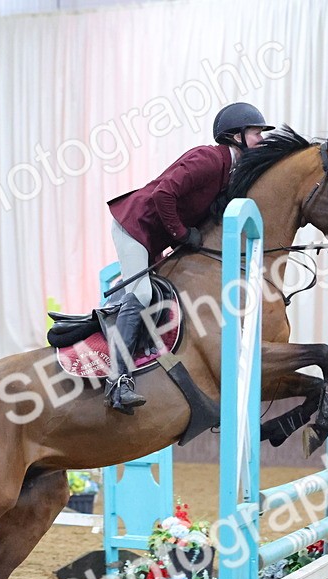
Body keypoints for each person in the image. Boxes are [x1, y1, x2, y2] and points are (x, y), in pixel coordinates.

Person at [103, 102, 274, 414]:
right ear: (235, 135)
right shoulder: (208, 159)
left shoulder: (229, 172)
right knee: (142, 294)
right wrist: (182, 234)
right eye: (256, 132)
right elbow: (163, 194)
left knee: (161, 294)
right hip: (134, 225)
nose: (261, 139)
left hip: (153, 234)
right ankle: (118, 380)